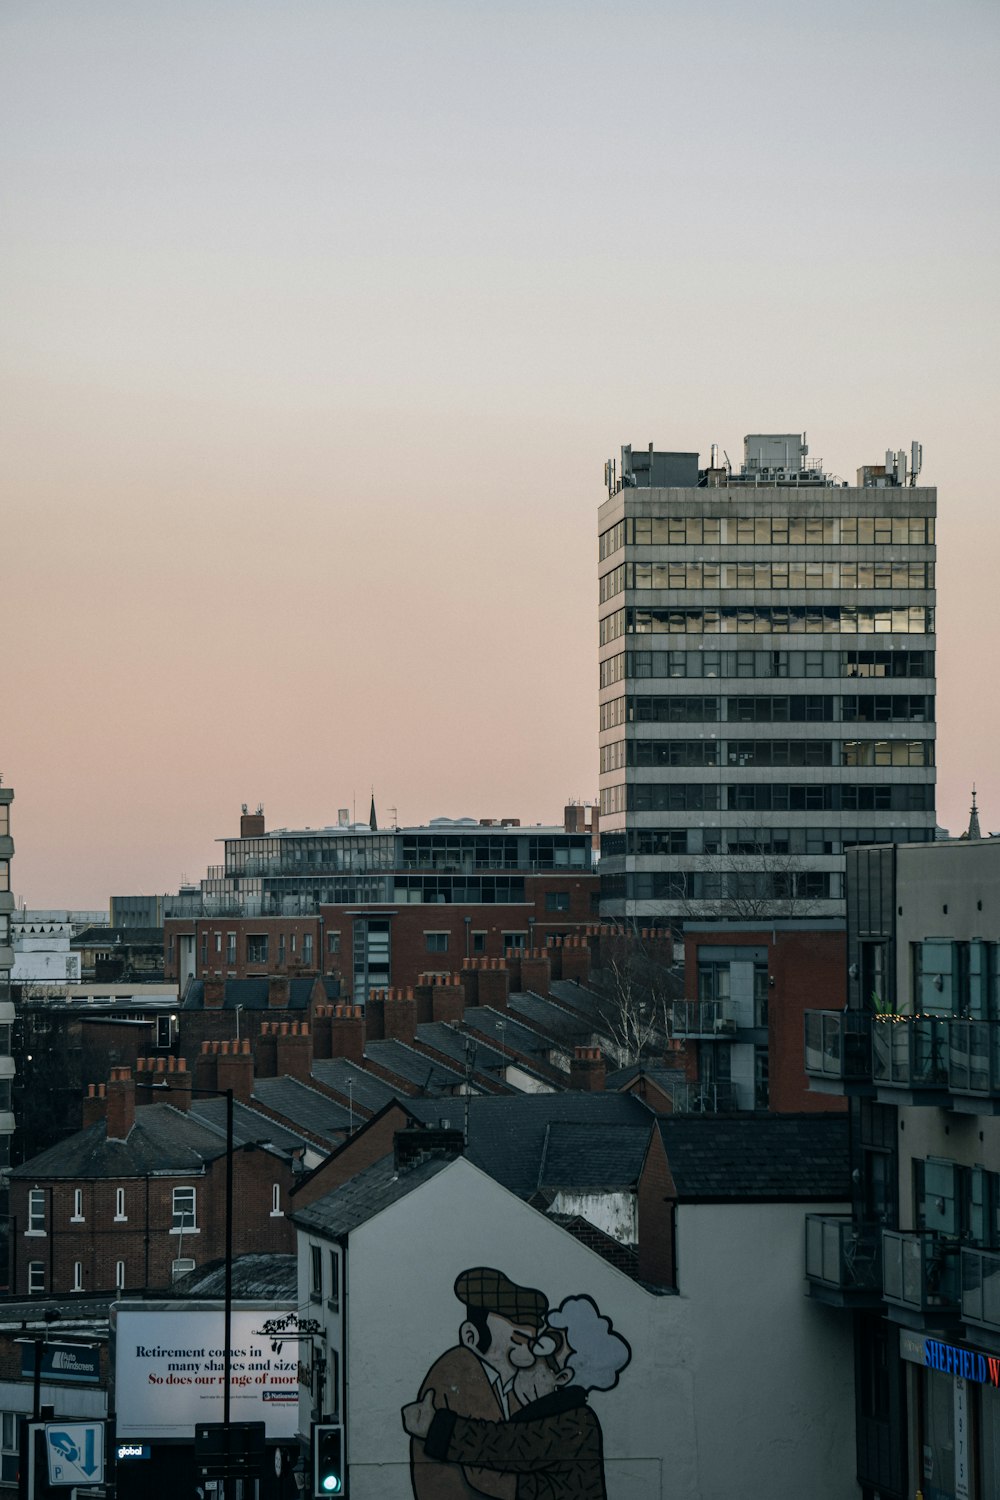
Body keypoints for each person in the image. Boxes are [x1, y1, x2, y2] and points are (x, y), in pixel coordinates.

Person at [403, 1295, 631, 1500]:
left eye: (541, 1353)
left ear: (561, 1377)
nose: (527, 1358)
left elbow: (503, 1446)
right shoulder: (547, 1413)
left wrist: (435, 1428)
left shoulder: (574, 1422)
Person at [408, 1266, 549, 1500]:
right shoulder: (458, 1370)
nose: (529, 1356)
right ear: (470, 1336)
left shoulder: (507, 1389)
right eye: (517, 1340)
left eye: (530, 1344)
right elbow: (490, 1473)